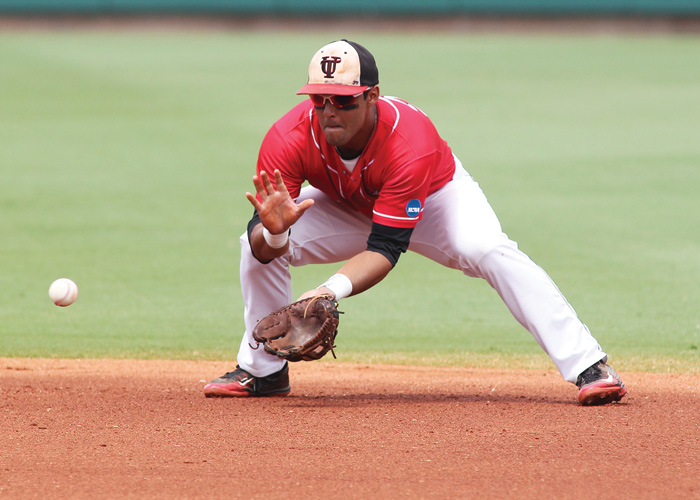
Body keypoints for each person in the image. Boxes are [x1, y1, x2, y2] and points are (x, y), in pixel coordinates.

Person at [204, 39, 627, 406]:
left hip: (437, 198)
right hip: (346, 202)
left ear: (372, 96)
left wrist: (328, 291)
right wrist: (276, 234)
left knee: (486, 249)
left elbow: (386, 249)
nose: (329, 111)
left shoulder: (410, 141)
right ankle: (263, 371)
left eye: (344, 100)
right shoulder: (288, 138)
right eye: (319, 100)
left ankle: (587, 364)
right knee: (252, 244)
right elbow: (265, 246)